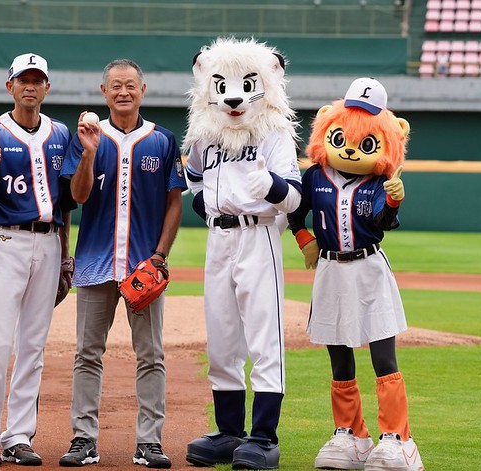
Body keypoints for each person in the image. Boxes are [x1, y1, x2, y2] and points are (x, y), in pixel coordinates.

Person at [287, 77, 424, 471]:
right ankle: (351, 434)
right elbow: (296, 213)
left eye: (365, 141)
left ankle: (398, 438)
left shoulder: (380, 180)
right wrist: (304, 238)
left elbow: (381, 222)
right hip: (330, 269)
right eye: (342, 134)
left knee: (383, 356)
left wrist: (394, 205)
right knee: (338, 356)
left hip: (368, 268)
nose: (349, 146)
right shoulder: (315, 175)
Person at [181, 37, 302, 470]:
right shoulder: (203, 135)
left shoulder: (275, 133)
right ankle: (229, 431)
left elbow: (294, 199)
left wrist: (272, 187)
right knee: (222, 338)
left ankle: (263, 436)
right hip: (219, 240)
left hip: (259, 236)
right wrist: (209, 205)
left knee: (264, 337)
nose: (233, 96)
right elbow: (193, 180)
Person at [59, 58, 186, 468]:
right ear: (103, 92)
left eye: (130, 85)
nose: (123, 92)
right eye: (115, 85)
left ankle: (149, 442)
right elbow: (77, 197)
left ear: (143, 90)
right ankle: (83, 439)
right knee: (86, 353)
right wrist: (88, 153)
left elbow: (173, 203)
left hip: (141, 268)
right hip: (96, 262)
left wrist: (161, 256)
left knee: (151, 355)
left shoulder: (163, 140)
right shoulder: (86, 137)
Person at [0, 52, 76, 467]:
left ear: (47, 87)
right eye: (22, 79)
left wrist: (65, 252)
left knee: (33, 346)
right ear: (10, 87)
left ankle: (18, 435)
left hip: (48, 242)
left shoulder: (61, 133)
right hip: (5, 239)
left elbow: (67, 203)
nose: (30, 85)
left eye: (37, 79)